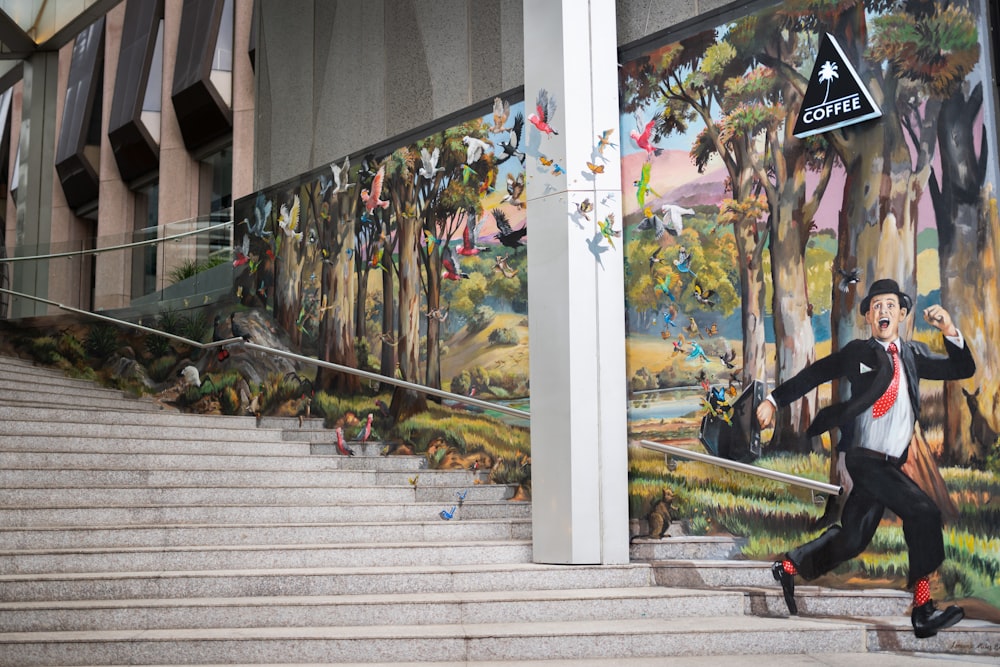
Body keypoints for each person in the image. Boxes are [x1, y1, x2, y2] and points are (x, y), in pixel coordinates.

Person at [755, 278, 975, 638]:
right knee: (923, 512)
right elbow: (815, 373)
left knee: (853, 538)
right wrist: (773, 402)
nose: (883, 311)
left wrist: (949, 329)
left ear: (903, 315)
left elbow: (961, 370)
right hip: (864, 459)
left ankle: (789, 565)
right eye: (876, 307)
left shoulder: (914, 356)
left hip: (891, 463)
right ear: (868, 319)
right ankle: (922, 609)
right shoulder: (860, 352)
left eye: (890, 305)